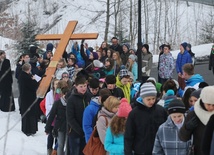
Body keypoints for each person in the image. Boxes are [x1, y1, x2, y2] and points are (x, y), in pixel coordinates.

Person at [124, 82, 167, 155]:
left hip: (159, 150)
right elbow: (129, 136)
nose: (151, 101)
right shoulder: (134, 114)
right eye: (148, 99)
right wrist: (128, 152)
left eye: (153, 98)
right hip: (141, 151)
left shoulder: (161, 111)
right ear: (142, 98)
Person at [179, 86, 214, 155]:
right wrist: (187, 128)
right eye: (208, 104)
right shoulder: (193, 115)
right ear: (203, 101)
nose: (211, 107)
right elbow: (183, 138)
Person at [66, 76, 91, 155]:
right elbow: (70, 118)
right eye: (81, 86)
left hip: (87, 131)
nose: (83, 88)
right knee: (75, 151)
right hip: (75, 132)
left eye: (85, 86)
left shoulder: (89, 97)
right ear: (76, 86)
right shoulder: (71, 99)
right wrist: (80, 130)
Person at [45, 87, 69, 155]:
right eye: (65, 94)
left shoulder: (70, 103)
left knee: (68, 145)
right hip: (60, 127)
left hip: (69, 127)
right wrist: (47, 128)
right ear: (62, 95)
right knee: (60, 144)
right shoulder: (57, 103)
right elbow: (51, 115)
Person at [18, 63, 39, 136]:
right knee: (30, 114)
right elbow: (33, 86)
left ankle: (26, 128)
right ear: (29, 69)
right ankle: (30, 129)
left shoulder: (22, 75)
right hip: (29, 98)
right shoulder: (27, 77)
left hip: (24, 97)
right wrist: (34, 80)